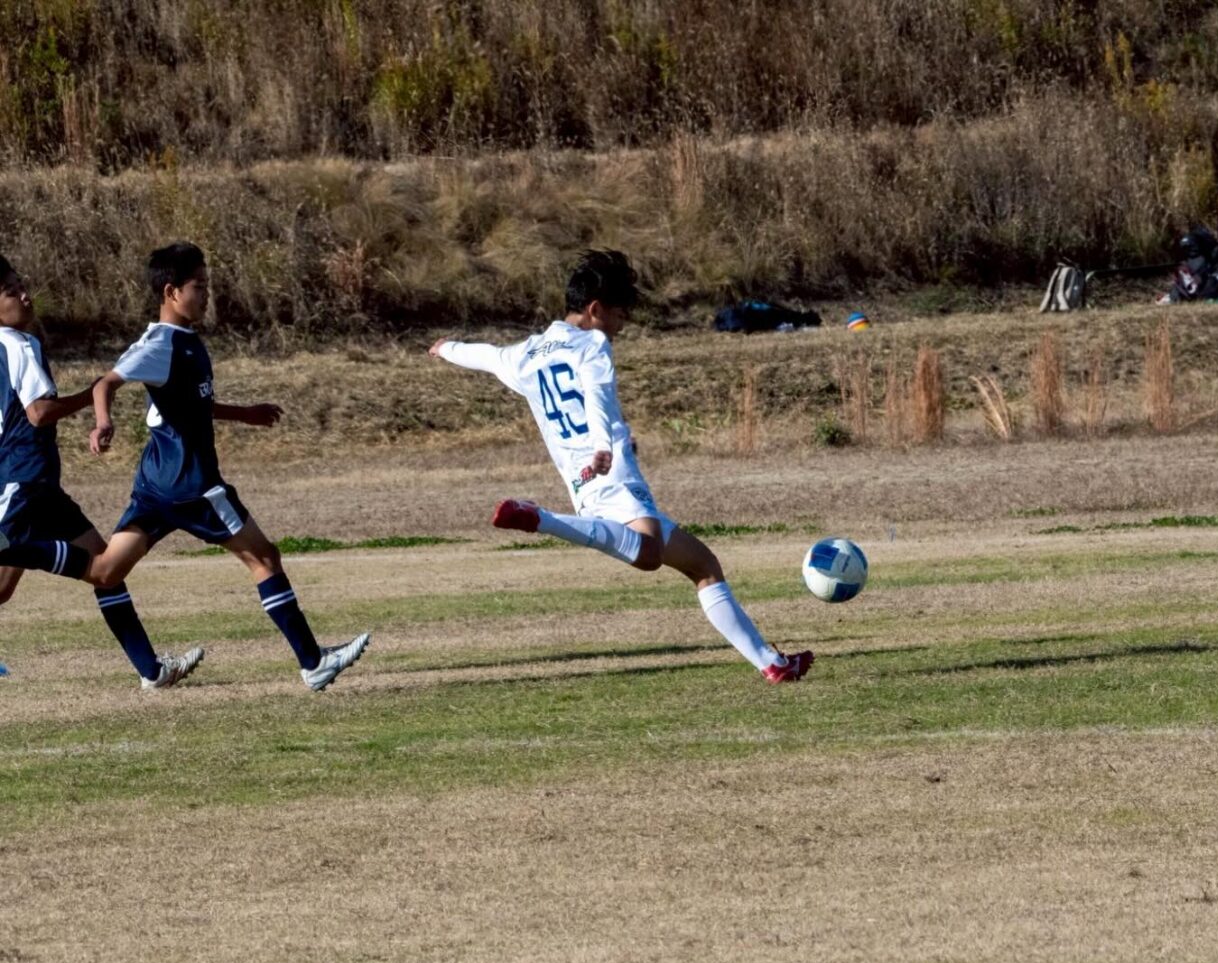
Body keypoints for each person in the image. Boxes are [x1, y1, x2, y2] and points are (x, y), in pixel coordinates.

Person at [429, 249, 812, 683]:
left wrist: (447, 348)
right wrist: (602, 445)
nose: (622, 323)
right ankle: (541, 519)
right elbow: (594, 393)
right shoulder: (593, 344)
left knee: (703, 565)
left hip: (582, 481)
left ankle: (772, 663)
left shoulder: (526, 353)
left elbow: (486, 355)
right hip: (610, 472)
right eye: (618, 313)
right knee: (647, 554)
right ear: (594, 310)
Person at [6, 242, 370, 691]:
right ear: (171, 291)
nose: (207, 295)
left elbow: (190, 406)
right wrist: (103, 421)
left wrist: (245, 413)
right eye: (200, 287)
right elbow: (108, 382)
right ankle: (313, 662)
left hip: (156, 487)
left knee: (105, 571)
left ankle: (150, 669)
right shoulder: (159, 343)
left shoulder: (184, 342)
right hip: (192, 484)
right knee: (264, 558)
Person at [0, 253, 201, 688]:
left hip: (37, 485)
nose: (25, 296)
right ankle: (151, 669)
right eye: (11, 291)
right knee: (82, 569)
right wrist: (90, 394)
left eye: (22, 285)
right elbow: (39, 413)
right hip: (23, 485)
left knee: (106, 568)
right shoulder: (17, 345)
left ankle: (152, 671)